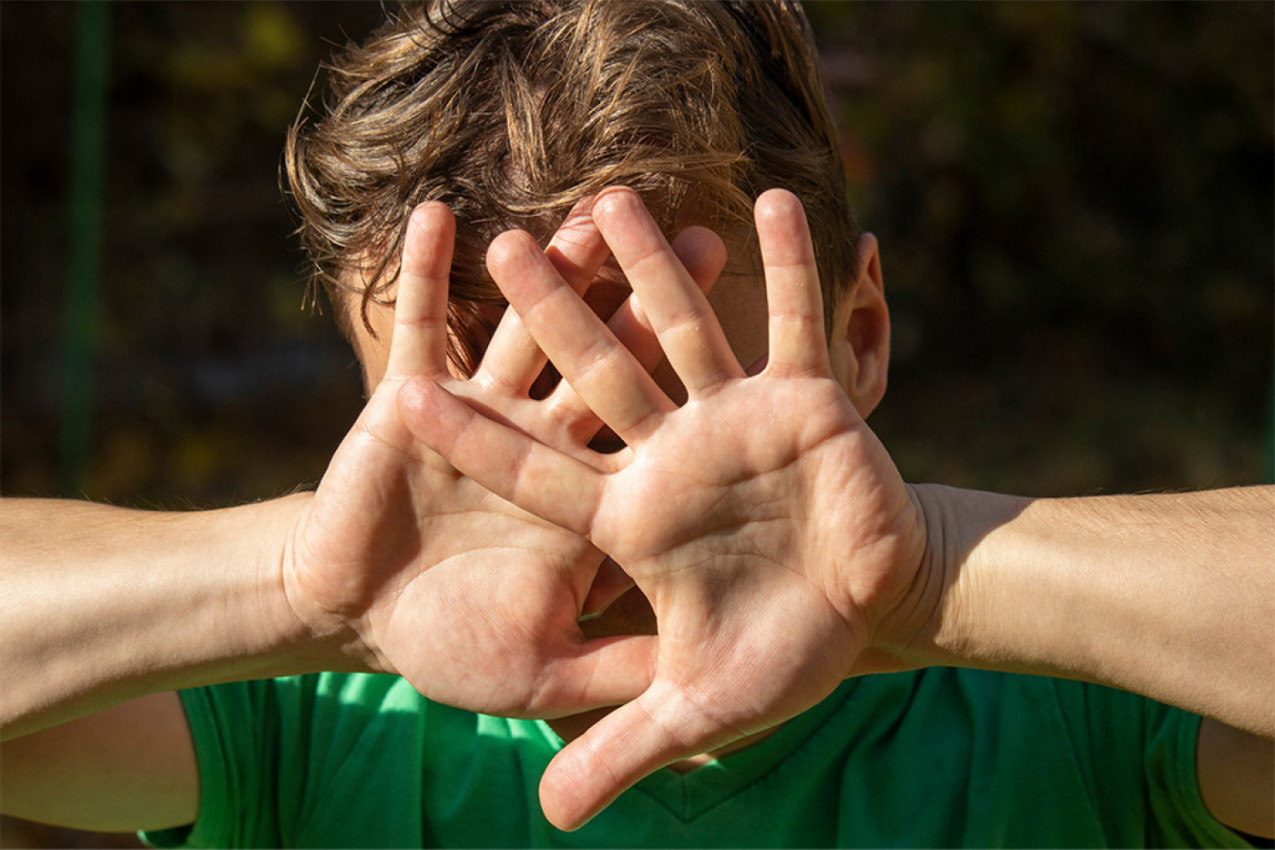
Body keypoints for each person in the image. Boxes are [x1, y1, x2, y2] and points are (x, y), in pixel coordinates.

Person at [2, 1, 1271, 847]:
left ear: (860, 336)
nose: (603, 482)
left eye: (669, 376)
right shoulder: (304, 714)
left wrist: (927, 572)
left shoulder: (1076, 705)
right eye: (483, 401)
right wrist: (293, 586)